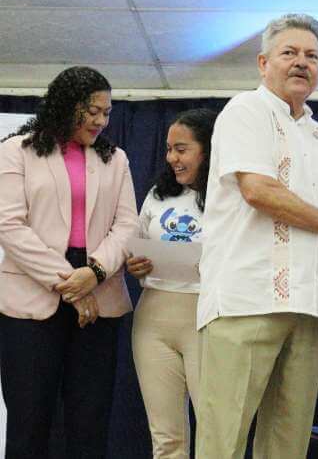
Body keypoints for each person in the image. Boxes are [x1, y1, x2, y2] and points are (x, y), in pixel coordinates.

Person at [195, 14, 318, 459]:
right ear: (263, 63)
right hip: (247, 301)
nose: (301, 63)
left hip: (309, 308)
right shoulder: (245, 111)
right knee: (223, 441)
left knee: (288, 446)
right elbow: (259, 191)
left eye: (311, 56)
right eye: (289, 53)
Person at [0, 66, 138, 458]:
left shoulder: (116, 159)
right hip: (31, 295)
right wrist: (71, 284)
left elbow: (127, 225)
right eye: (92, 111)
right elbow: (9, 225)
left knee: (89, 420)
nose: (101, 120)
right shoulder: (17, 150)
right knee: (29, 420)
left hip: (99, 291)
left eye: (106, 112)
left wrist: (94, 273)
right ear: (66, 105)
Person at [127, 108, 217, 458]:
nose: (171, 158)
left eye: (181, 149)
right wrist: (134, 263)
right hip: (153, 316)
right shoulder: (158, 194)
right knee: (166, 438)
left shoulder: (230, 196)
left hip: (207, 317)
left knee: (216, 433)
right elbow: (134, 242)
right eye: (168, 149)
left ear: (207, 150)